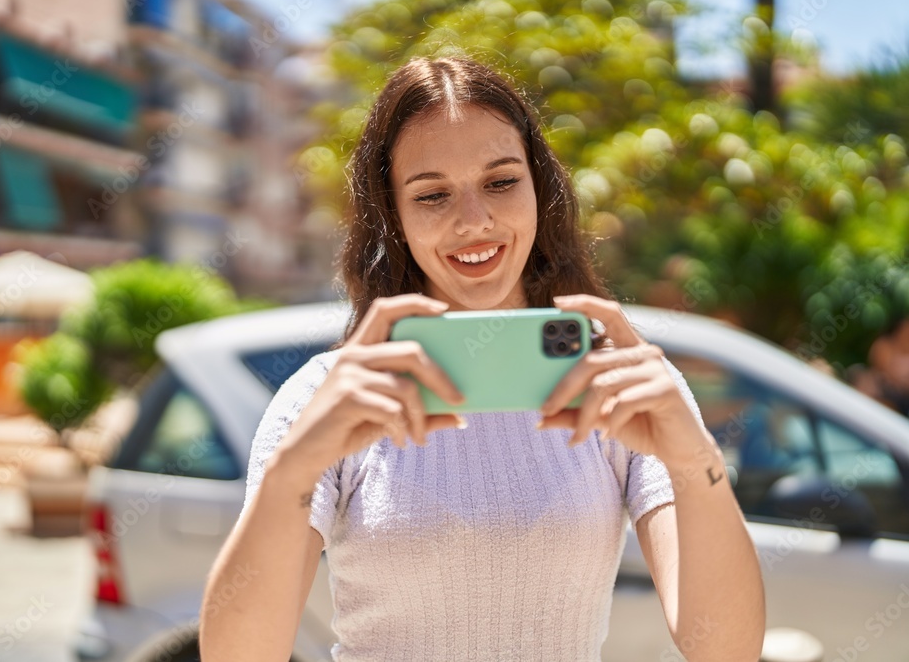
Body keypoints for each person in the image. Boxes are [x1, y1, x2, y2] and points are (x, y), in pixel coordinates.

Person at [199, 56, 765, 661]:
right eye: (433, 195)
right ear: (394, 218)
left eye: (500, 182)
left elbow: (726, 650)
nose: (475, 221)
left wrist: (695, 459)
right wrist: (296, 466)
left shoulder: (614, 379)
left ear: (538, 188)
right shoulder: (330, 395)